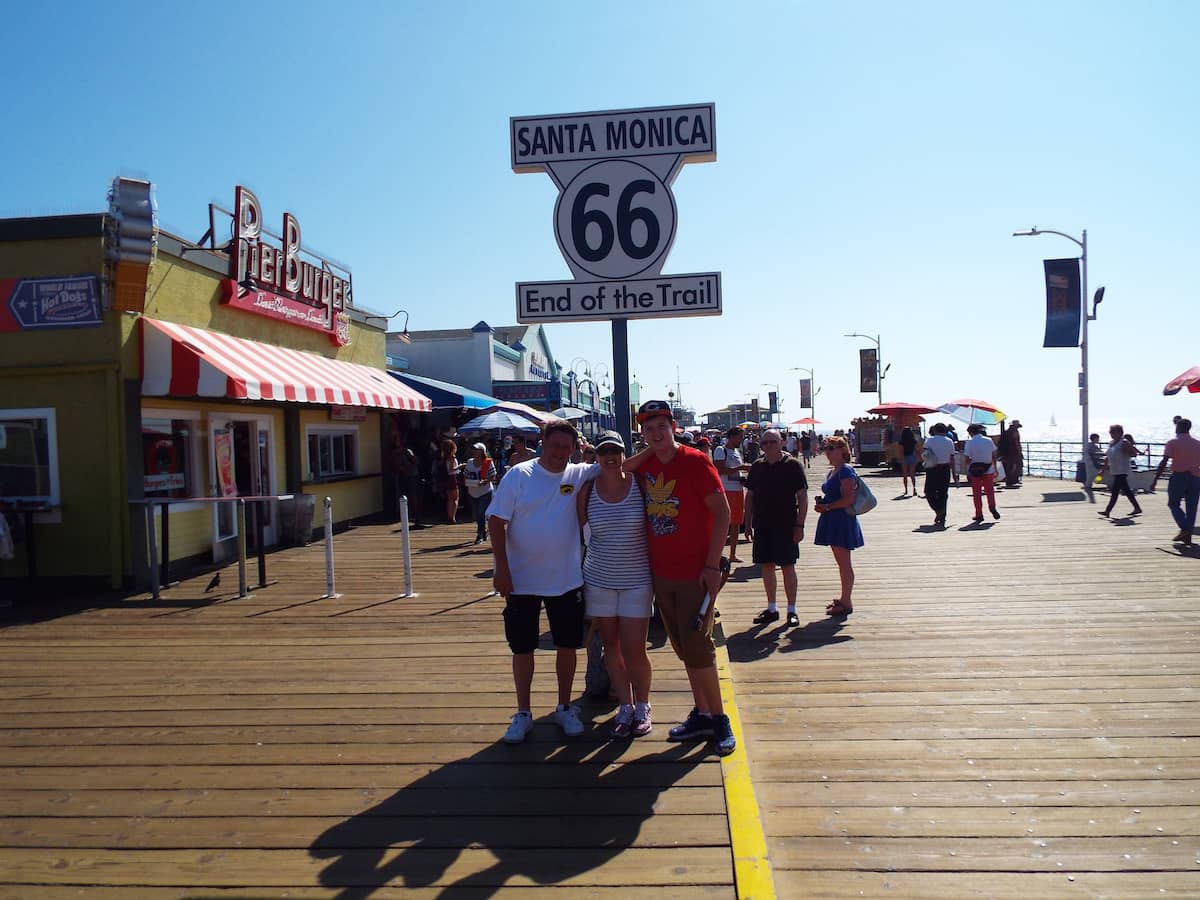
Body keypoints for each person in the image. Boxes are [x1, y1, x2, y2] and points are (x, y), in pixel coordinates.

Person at [627, 400, 735, 756]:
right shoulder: (647, 465)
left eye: (662, 426)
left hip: (695, 573)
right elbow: (620, 468)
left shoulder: (695, 461)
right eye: (648, 428)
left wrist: (711, 566)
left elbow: (723, 514)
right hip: (662, 572)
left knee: (699, 647)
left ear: (673, 426)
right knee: (682, 647)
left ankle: (719, 719)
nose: (656, 433)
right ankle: (702, 712)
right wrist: (648, 452)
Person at [488, 420, 598, 743]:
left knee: (567, 645)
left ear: (574, 448)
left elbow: (619, 463)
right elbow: (496, 521)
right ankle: (523, 712)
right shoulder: (519, 475)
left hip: (566, 580)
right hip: (521, 580)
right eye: (555, 446)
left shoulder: (578, 473)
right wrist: (501, 569)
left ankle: (565, 706)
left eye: (567, 447)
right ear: (543, 443)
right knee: (522, 647)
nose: (560, 452)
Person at [576, 430, 653, 738]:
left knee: (635, 649)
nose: (610, 457)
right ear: (595, 456)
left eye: (616, 451)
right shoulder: (587, 489)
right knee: (612, 647)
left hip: (637, 579)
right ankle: (624, 705)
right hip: (599, 580)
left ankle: (643, 704)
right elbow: (578, 533)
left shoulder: (641, 484)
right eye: (603, 452)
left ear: (624, 454)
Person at [744, 428, 808, 628]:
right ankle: (772, 608)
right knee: (767, 565)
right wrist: (747, 522)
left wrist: (800, 524)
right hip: (762, 524)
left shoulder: (793, 466)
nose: (769, 446)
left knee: (788, 566)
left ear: (781, 442)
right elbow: (750, 496)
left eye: (773, 442)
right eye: (765, 443)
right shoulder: (757, 466)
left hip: (786, 524)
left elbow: (802, 497)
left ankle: (792, 610)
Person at [813, 435, 863, 617]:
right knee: (841, 562)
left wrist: (828, 506)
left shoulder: (845, 471)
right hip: (832, 518)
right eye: (826, 448)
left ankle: (847, 601)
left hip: (842, 519)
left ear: (843, 450)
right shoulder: (833, 471)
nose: (828, 452)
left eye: (831, 448)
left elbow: (850, 499)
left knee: (844, 563)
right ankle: (844, 598)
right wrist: (823, 503)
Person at [1153, 417, 1200, 546]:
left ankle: (1185, 529)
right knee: (1192, 507)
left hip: (1179, 476)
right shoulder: (1197, 443)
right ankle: (1187, 536)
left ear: (1178, 428)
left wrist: (1155, 479)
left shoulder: (1173, 442)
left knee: (1173, 504)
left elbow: (1164, 462)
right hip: (1195, 477)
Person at [712, 427, 747, 562]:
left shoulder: (737, 451)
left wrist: (742, 475)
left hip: (738, 489)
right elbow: (719, 470)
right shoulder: (721, 450)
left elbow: (735, 471)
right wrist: (741, 468)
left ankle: (733, 554)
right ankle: (717, 554)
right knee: (723, 523)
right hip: (726, 490)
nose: (741, 440)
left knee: (736, 523)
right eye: (739, 437)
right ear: (731, 437)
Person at [1099, 425, 1143, 518]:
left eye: (1113, 432)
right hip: (1114, 469)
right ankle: (1137, 507)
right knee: (1126, 490)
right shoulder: (1111, 443)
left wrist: (1126, 452)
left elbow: (1133, 453)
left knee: (1115, 491)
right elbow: (1107, 457)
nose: (1111, 434)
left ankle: (1108, 511)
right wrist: (1103, 470)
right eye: (1110, 432)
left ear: (1120, 433)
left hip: (1122, 469)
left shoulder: (1124, 442)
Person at [963, 424, 1001, 523]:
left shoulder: (970, 442)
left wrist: (968, 463)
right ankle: (992, 506)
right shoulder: (988, 440)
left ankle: (979, 514)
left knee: (977, 493)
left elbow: (967, 458)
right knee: (990, 490)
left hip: (975, 469)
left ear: (970, 432)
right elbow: (994, 455)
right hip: (988, 468)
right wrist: (995, 468)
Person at [922, 423, 956, 527]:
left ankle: (937, 510)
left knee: (929, 491)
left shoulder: (930, 440)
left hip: (932, 469)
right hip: (945, 468)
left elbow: (924, 454)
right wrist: (954, 474)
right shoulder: (949, 441)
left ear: (935, 430)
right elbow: (952, 458)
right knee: (943, 493)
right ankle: (942, 514)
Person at [463, 443, 497, 543]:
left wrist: (485, 481)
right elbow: (466, 475)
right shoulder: (469, 462)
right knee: (476, 514)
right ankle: (484, 530)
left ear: (482, 451)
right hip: (472, 491)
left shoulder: (487, 462)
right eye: (473, 450)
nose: (474, 451)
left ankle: (480, 534)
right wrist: (468, 481)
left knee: (481, 513)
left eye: (476, 450)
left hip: (485, 492)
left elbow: (493, 476)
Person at [389, 429, 423, 527]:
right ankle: (407, 514)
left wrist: (407, 468)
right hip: (401, 476)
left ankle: (416, 515)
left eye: (397, 439)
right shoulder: (393, 452)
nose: (396, 441)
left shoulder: (407, 451)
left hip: (411, 476)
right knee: (403, 496)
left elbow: (416, 461)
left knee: (412, 496)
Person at [437, 439, 463, 524]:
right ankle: (453, 517)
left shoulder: (444, 458)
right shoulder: (452, 457)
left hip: (447, 479)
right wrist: (460, 466)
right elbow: (452, 469)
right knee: (455, 498)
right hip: (452, 478)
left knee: (449, 499)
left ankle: (449, 516)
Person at [1001, 419, 1023, 486]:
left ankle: (1011, 480)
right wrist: (1019, 452)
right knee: (1014, 466)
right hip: (1013, 452)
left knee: (1010, 466)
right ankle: (1012, 480)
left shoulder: (1007, 432)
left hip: (1008, 452)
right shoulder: (1013, 432)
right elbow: (1016, 443)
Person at [898, 426, 918, 496]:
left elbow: (901, 451)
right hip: (912, 456)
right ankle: (914, 489)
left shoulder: (902, 441)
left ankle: (906, 490)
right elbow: (916, 449)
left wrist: (900, 458)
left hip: (904, 457)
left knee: (905, 475)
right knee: (912, 474)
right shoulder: (913, 440)